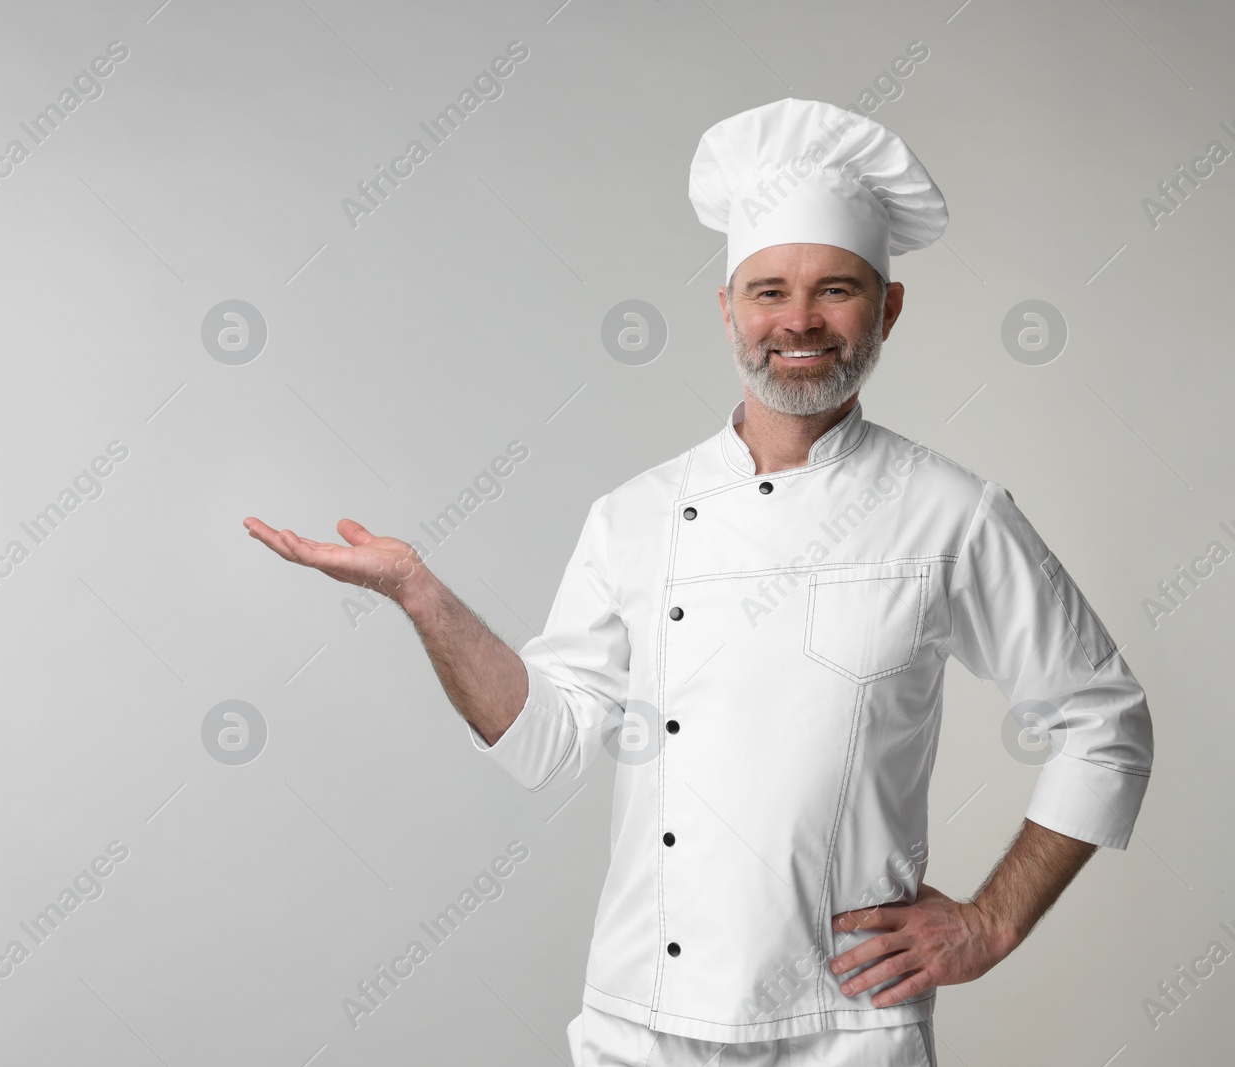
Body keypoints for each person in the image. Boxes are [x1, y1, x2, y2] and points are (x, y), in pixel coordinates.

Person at [244, 98, 1153, 1066]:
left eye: (835, 289)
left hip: (844, 1025)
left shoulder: (951, 510)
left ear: (886, 306)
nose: (797, 321)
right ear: (727, 308)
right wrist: (421, 594)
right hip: (637, 1017)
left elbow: (1104, 719)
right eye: (767, 291)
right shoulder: (632, 511)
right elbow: (542, 738)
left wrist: (991, 920)